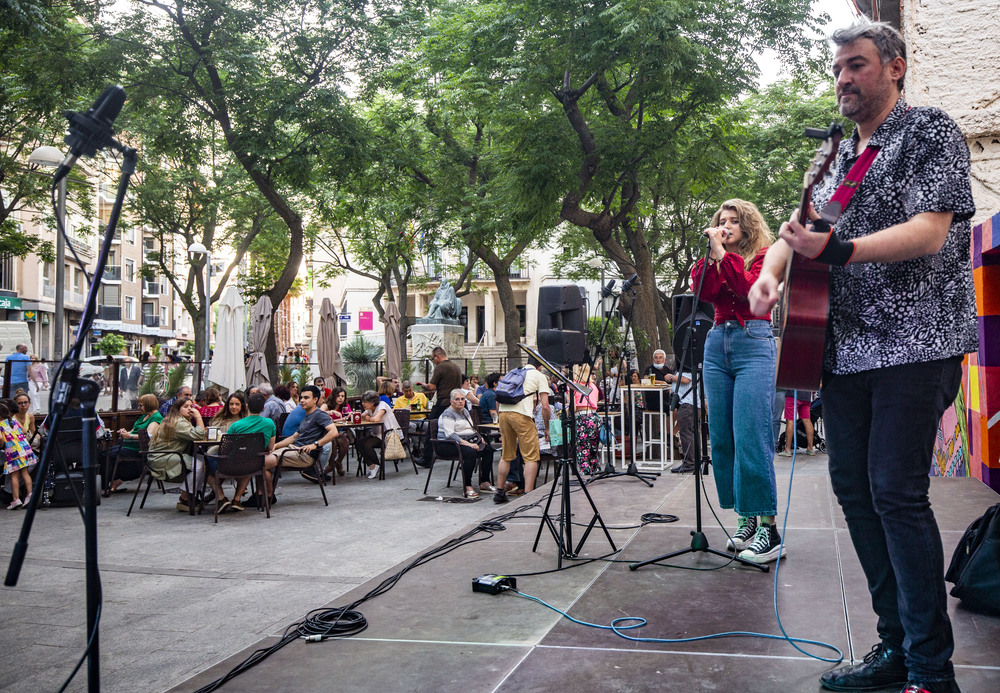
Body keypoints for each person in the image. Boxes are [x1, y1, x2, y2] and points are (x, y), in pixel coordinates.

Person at [748, 23, 975, 693]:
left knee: (896, 494)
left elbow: (931, 231)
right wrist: (771, 274)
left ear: (894, 67)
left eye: (858, 66)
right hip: (842, 350)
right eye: (839, 68)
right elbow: (801, 233)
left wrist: (839, 252)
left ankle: (933, 671)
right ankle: (895, 647)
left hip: (917, 341)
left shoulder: (929, 131)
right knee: (853, 489)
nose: (844, 78)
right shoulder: (838, 156)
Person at [691, 197, 781, 564]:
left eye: (732, 221)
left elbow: (750, 291)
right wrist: (713, 257)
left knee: (751, 435)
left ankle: (769, 530)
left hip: (754, 341)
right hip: (717, 343)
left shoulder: (767, 255)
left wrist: (722, 256)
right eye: (721, 220)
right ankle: (746, 517)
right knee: (723, 438)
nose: (725, 226)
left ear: (747, 225)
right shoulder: (715, 257)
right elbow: (705, 292)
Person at [493, 359, 551, 503]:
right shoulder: (539, 376)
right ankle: (528, 496)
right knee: (531, 457)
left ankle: (499, 492)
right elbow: (545, 406)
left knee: (506, 455)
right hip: (522, 415)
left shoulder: (513, 373)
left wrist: (500, 418)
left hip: (504, 414)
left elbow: (498, 397)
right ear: (540, 366)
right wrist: (548, 428)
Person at [146, 397, 213, 512]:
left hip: (162, 455)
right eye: (186, 407)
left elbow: (195, 434)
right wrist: (198, 416)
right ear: (177, 409)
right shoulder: (178, 422)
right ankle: (185, 497)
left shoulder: (175, 419)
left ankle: (191, 495)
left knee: (203, 462)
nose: (190, 409)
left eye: (191, 406)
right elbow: (198, 436)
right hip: (162, 458)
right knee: (200, 465)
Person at [219, 393, 280, 513]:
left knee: (207, 465)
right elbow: (271, 446)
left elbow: (226, 447)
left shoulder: (236, 425)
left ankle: (221, 497)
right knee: (257, 463)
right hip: (256, 462)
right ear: (263, 408)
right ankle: (265, 495)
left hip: (234, 463)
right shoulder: (269, 423)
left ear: (246, 407)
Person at [273, 385, 339, 487]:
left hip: (301, 453)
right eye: (301, 398)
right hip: (292, 447)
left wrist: (315, 445)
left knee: (263, 462)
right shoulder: (307, 416)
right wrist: (275, 446)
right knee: (262, 462)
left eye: (306, 398)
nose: (302, 401)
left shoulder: (317, 414)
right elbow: (293, 437)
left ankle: (315, 471)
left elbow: (334, 432)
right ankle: (266, 496)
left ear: (315, 400)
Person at [436, 390, 494, 497]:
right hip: (448, 444)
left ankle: (484, 481)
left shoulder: (465, 411)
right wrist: (469, 444)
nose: (460, 402)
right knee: (470, 452)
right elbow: (450, 435)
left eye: (462, 399)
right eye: (457, 399)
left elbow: (471, 428)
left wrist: (479, 438)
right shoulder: (448, 414)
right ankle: (467, 485)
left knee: (488, 449)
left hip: (466, 441)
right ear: (451, 401)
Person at [107, 393, 162, 493]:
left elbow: (149, 436)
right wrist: (126, 432)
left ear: (148, 405)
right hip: (129, 445)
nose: (139, 408)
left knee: (109, 454)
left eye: (141, 405)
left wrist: (130, 436)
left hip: (139, 449)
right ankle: (111, 481)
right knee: (105, 452)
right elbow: (134, 430)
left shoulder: (156, 418)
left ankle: (110, 482)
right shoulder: (144, 417)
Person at [418, 347, 463, 467]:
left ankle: (426, 459)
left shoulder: (440, 367)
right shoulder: (456, 367)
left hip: (442, 403)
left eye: (433, 359)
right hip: (454, 403)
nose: (434, 361)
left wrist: (425, 386)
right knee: (456, 429)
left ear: (437, 356)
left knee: (431, 429)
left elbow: (432, 387)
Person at [356, 390, 403, 479]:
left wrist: (368, 418)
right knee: (358, 443)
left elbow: (376, 419)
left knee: (367, 445)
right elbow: (361, 416)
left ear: (373, 402)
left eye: (365, 402)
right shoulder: (369, 409)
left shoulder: (382, 405)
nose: (363, 404)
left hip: (389, 435)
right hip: (378, 434)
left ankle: (376, 465)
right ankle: (372, 464)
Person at [1, 400, 36, 509]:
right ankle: (30, 495)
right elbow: (25, 431)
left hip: (13, 452)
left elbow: (1, 439)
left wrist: (3, 444)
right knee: (25, 473)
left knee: (14, 476)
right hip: (25, 449)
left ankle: (16, 499)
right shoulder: (14, 421)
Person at [572, 363, 602, 475]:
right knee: (593, 450)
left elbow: (573, 407)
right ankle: (595, 470)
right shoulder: (594, 386)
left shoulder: (573, 386)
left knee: (582, 449)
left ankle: (586, 473)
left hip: (582, 418)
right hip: (594, 417)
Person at [667, 365, 696, 474]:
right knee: (690, 433)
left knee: (686, 434)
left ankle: (690, 463)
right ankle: (692, 461)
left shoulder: (688, 364)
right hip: (687, 402)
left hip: (687, 402)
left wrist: (671, 377)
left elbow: (686, 379)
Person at [778, 390, 815, 457]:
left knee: (790, 420)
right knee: (807, 420)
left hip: (793, 395)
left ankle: (788, 449)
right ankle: (810, 448)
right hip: (806, 396)